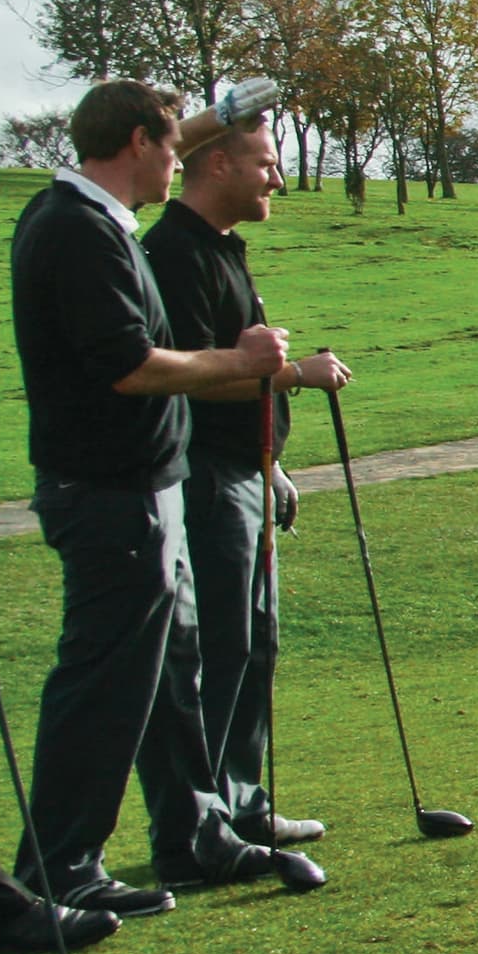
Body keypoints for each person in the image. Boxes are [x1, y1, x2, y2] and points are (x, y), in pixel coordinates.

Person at [7, 80, 321, 912]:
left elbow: (184, 138)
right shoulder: (76, 231)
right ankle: (62, 864)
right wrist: (246, 364)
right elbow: (132, 365)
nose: (180, 155)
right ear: (141, 143)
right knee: (107, 679)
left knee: (168, 674)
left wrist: (242, 102)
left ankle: (193, 835)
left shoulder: (93, 220)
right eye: (172, 141)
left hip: (147, 486)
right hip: (110, 492)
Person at [144, 87, 352, 859]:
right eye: (266, 165)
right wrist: (294, 374)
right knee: (221, 644)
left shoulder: (220, 248)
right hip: (200, 476)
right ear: (219, 163)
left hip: (242, 470)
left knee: (252, 639)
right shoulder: (174, 253)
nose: (277, 181)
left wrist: (272, 464)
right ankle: (208, 822)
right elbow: (190, 376)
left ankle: (242, 804)